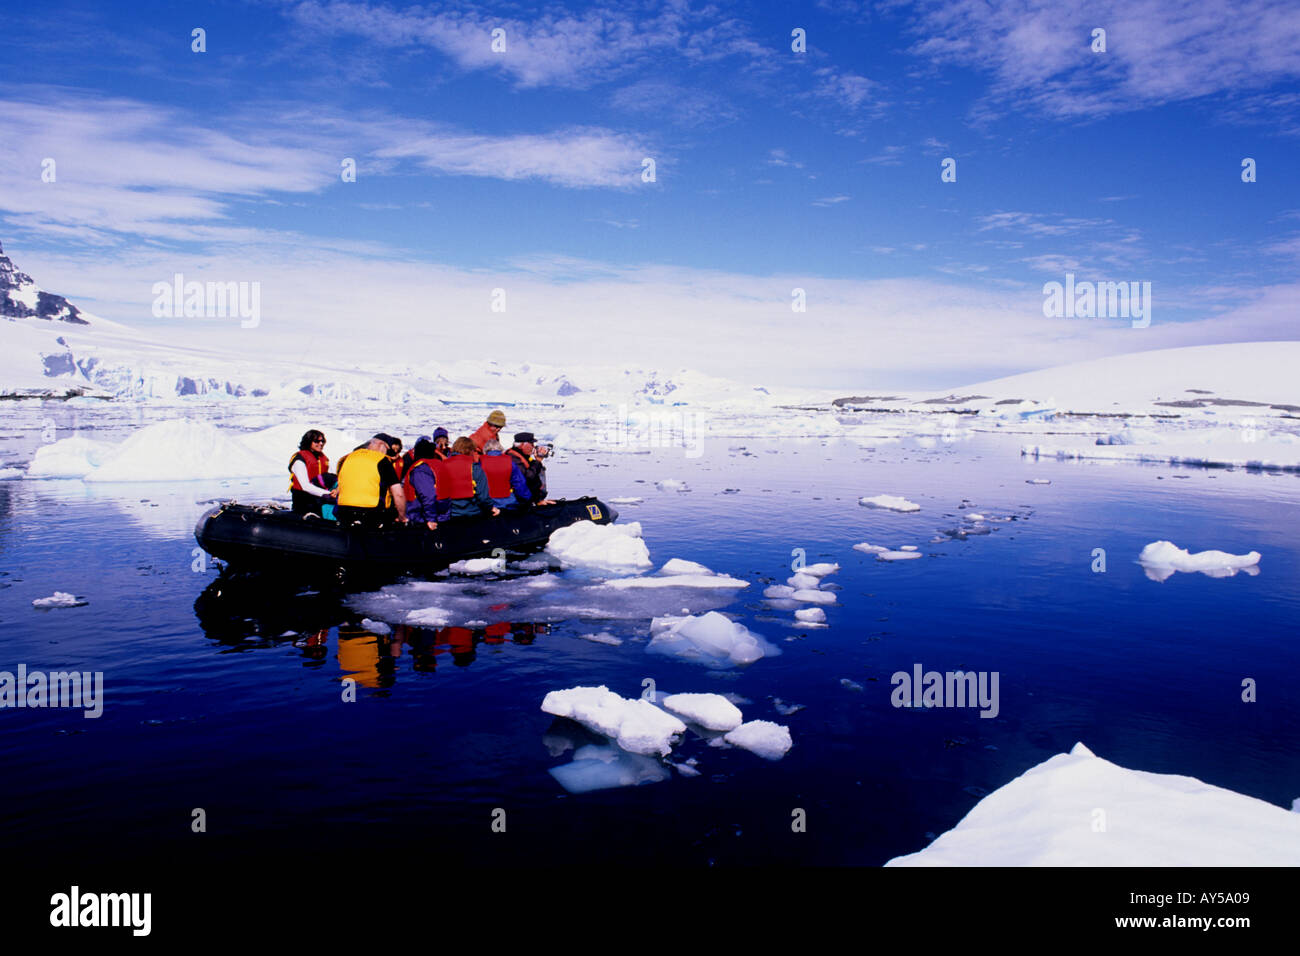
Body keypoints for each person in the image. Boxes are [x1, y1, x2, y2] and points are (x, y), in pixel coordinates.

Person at [335, 434, 407, 526]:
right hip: (371, 513)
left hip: (344, 511)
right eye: (388, 451)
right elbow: (398, 494)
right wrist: (402, 517)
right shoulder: (382, 461)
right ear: (382, 445)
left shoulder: (347, 458)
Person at [432, 436, 498, 520]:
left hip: (450, 515)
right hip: (473, 513)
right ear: (470, 451)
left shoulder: (443, 466)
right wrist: (490, 507)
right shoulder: (475, 468)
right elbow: (483, 496)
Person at [288, 429, 336, 515]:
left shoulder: (323, 458)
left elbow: (333, 477)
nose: (321, 444)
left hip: (320, 499)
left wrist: (336, 491)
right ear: (308, 442)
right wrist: (328, 494)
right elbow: (305, 486)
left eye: (322, 441)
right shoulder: (299, 460)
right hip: (303, 500)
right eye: (317, 441)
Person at [402, 437, 442, 530]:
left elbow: (428, 495)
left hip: (421, 519)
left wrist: (431, 518)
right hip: (440, 514)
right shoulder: (438, 465)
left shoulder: (420, 470)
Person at [480, 438, 531, 510]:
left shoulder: (480, 463)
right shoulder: (510, 462)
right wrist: (526, 497)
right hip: (508, 501)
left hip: (488, 502)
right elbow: (519, 483)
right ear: (500, 449)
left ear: (485, 450)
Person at [508, 432, 556, 506]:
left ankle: (537, 500)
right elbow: (528, 477)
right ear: (521, 445)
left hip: (525, 497)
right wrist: (538, 461)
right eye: (531, 444)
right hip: (516, 498)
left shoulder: (523, 456)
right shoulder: (513, 458)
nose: (533, 447)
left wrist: (537, 461)